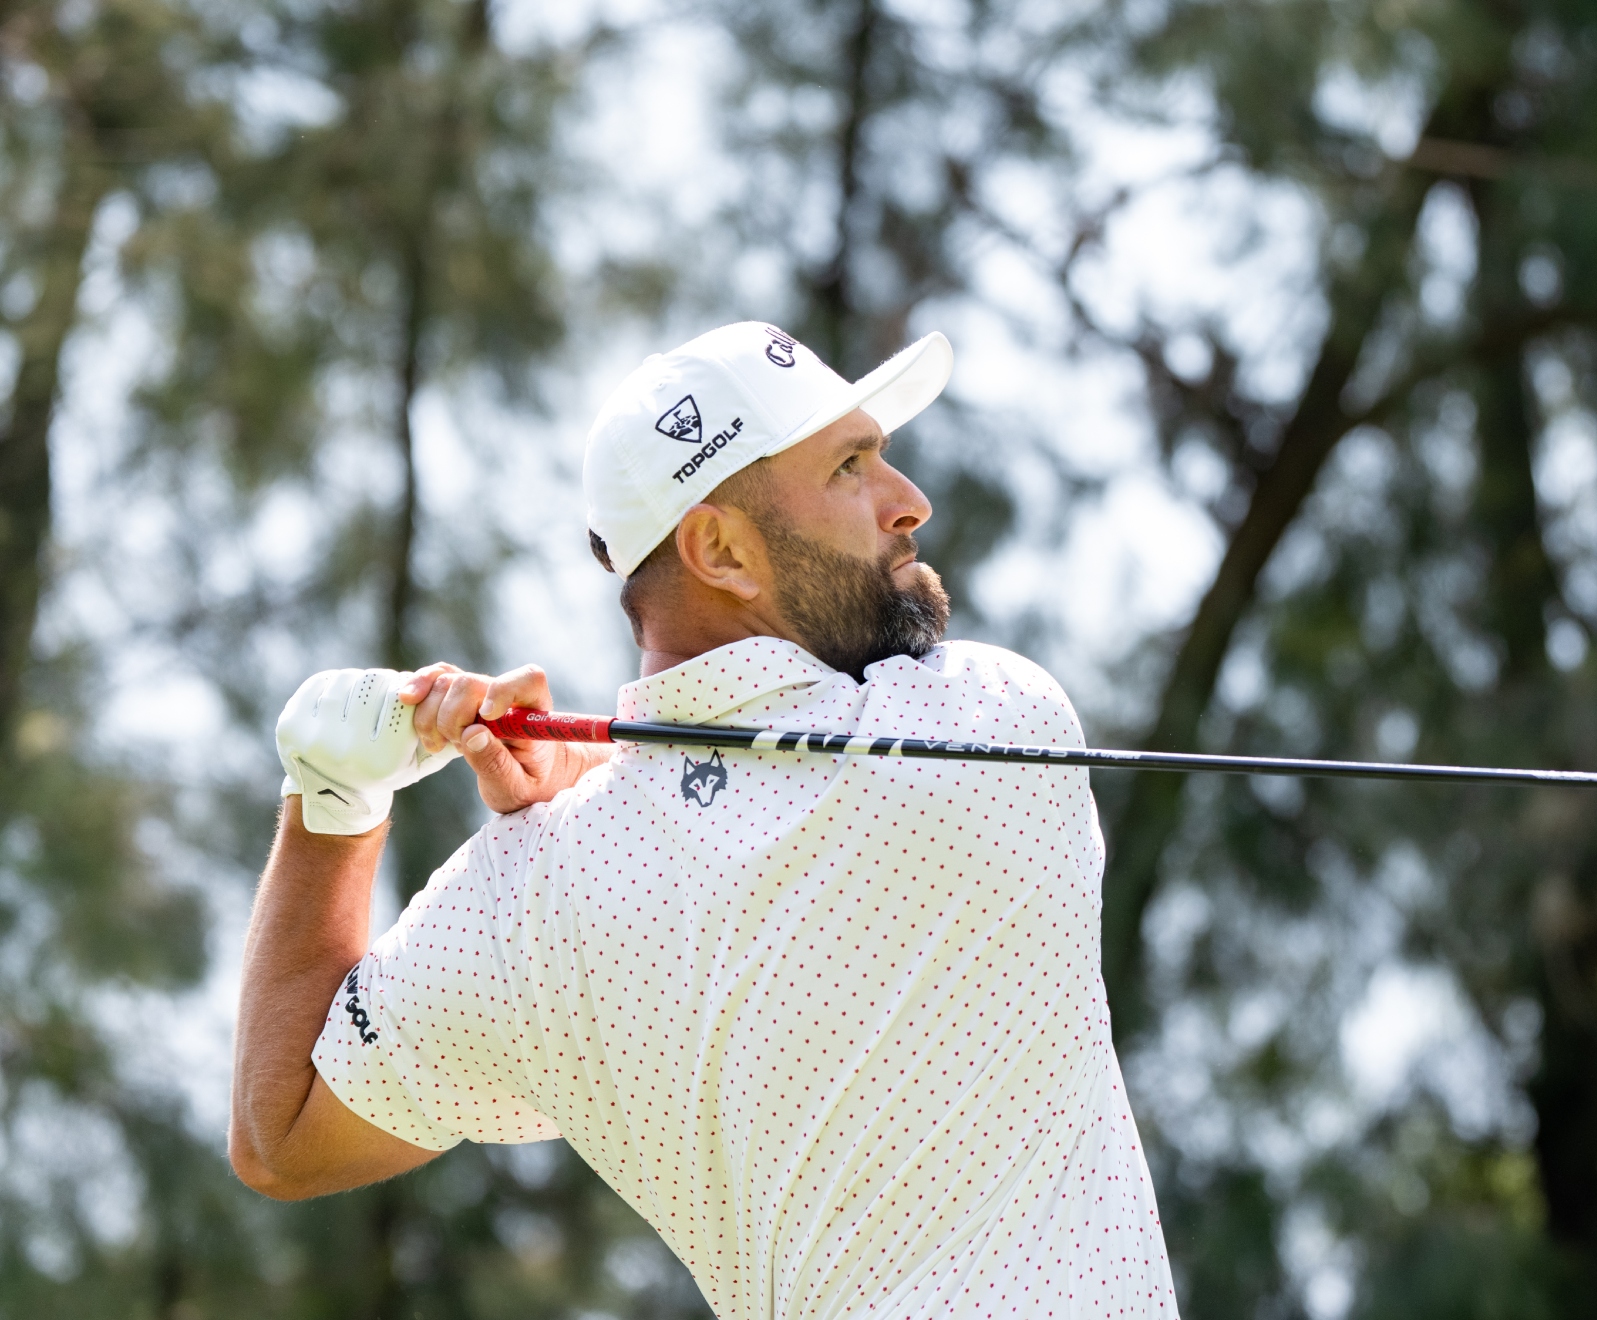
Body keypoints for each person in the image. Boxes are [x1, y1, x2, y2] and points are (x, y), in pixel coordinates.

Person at [230, 322, 1181, 1319]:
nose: (909, 501)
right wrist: (604, 765)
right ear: (720, 550)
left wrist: (333, 797)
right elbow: (772, 781)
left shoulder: (529, 901)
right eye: (851, 467)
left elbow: (280, 1135)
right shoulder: (995, 722)